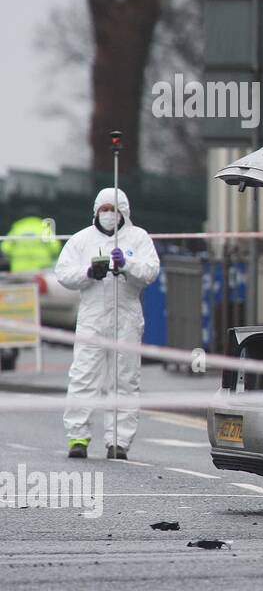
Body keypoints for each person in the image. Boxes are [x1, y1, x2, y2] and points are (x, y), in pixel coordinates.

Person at [53, 188, 160, 459]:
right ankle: (78, 437)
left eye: (113, 209)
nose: (109, 214)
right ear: (96, 211)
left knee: (125, 381)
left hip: (127, 319)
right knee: (83, 377)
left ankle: (118, 442)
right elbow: (63, 273)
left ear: (124, 211)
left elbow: (150, 272)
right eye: (104, 209)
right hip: (92, 320)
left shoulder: (139, 238)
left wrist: (127, 265)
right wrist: (89, 272)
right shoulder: (81, 240)